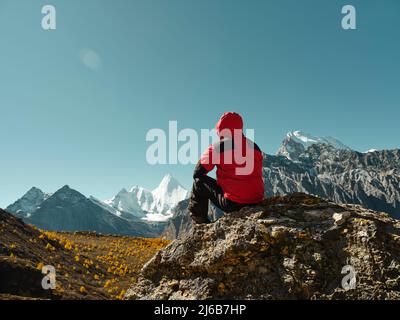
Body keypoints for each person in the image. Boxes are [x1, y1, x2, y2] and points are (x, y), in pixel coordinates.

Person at [188, 112, 264, 224]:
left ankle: (200, 221)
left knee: (199, 181)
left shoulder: (218, 147)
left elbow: (198, 172)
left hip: (233, 204)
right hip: (257, 201)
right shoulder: (255, 146)